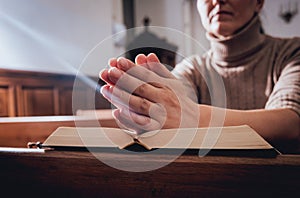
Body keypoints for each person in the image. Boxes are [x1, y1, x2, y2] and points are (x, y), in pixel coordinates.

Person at [99, 0, 300, 153]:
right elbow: (172, 110)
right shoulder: (193, 67)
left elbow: (291, 124)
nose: (217, 0)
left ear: (258, 2)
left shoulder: (291, 52)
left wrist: (192, 116)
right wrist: (152, 104)